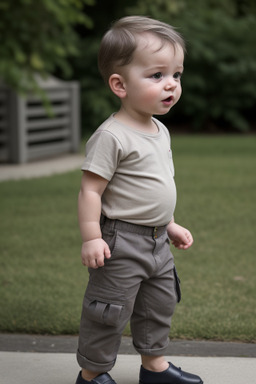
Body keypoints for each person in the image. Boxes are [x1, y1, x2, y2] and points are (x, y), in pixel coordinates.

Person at [76, 15, 203, 384]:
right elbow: (90, 190)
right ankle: (93, 374)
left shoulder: (159, 130)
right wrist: (91, 236)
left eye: (176, 75)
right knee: (108, 310)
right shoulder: (111, 136)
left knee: (158, 304)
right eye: (157, 75)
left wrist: (169, 223)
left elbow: (155, 185)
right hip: (119, 242)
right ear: (119, 84)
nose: (171, 85)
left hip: (157, 240)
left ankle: (155, 368)